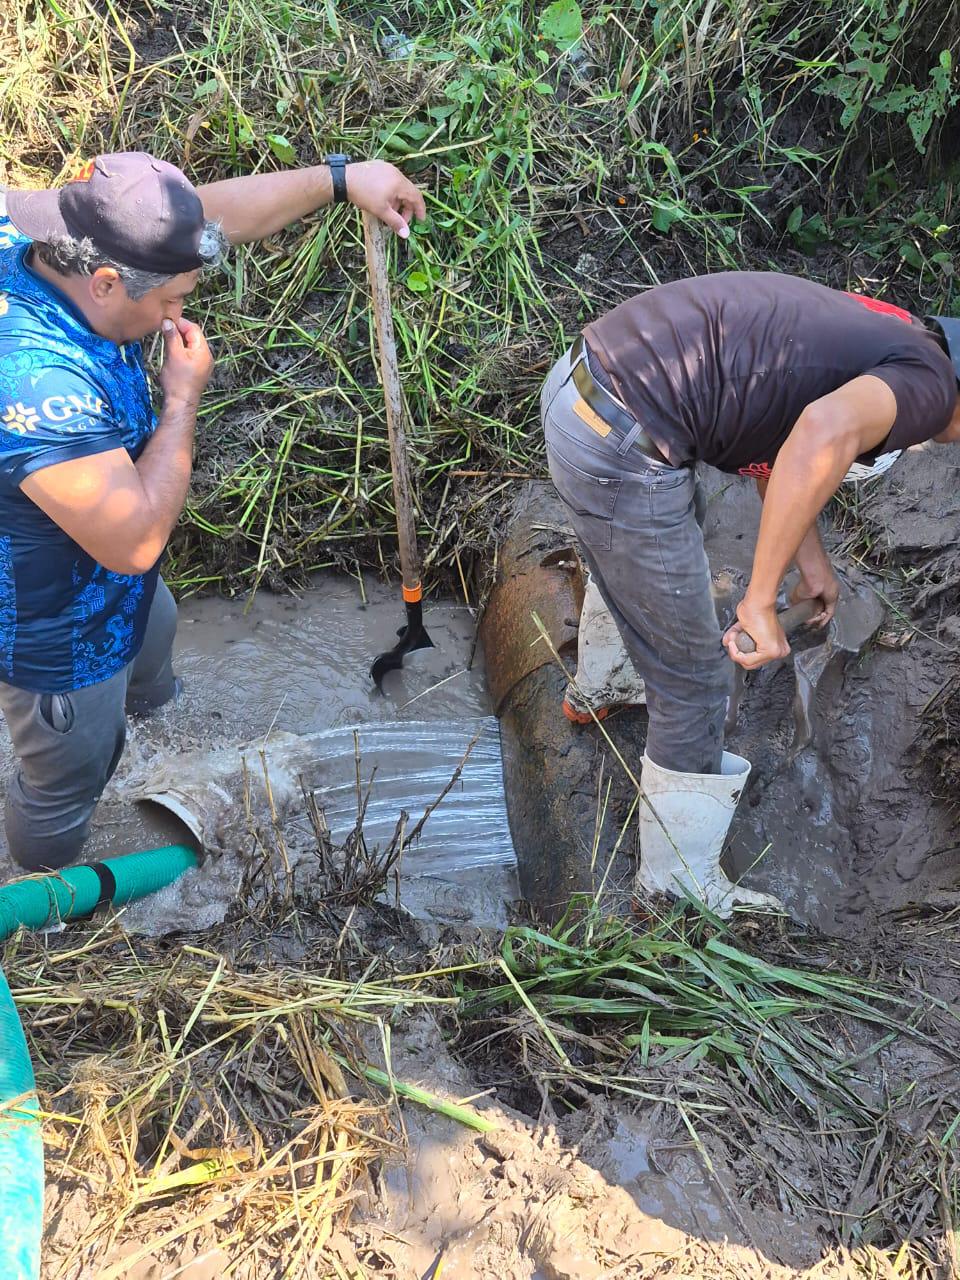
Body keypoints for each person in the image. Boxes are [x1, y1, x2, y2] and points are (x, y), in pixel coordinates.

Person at [0, 150, 425, 872]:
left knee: (155, 640)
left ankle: (153, 752)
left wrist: (341, 180)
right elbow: (133, 541)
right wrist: (183, 398)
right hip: (57, 628)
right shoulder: (37, 381)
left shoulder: (42, 231)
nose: (180, 316)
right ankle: (50, 912)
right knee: (68, 776)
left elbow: (205, 216)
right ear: (105, 283)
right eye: (169, 302)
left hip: (114, 587)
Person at [540, 272, 960, 914]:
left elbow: (783, 448)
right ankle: (675, 888)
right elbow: (820, 434)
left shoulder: (888, 332)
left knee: (664, 531)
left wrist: (810, 564)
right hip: (622, 439)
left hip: (586, 390)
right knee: (693, 682)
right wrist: (759, 601)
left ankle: (607, 682)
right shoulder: (932, 387)